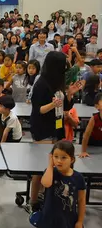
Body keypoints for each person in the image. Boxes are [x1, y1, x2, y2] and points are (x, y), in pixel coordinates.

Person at [30, 52, 82, 210]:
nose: (66, 68)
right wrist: (53, 105)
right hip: (43, 129)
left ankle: (47, 197)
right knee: (40, 167)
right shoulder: (41, 84)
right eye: (63, 65)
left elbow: (65, 106)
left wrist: (69, 94)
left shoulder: (57, 82)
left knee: (53, 166)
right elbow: (38, 110)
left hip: (57, 128)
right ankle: (33, 201)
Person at [37, 141, 86, 228]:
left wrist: (80, 221)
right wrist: (50, 165)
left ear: (72, 159)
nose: (59, 161)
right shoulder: (50, 172)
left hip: (67, 222)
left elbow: (82, 201)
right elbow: (45, 183)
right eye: (56, 156)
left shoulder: (78, 178)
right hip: (49, 221)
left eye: (64, 157)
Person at [80, 93, 102, 158]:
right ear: (97, 106)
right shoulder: (94, 119)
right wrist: (83, 151)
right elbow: (86, 136)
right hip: (92, 142)